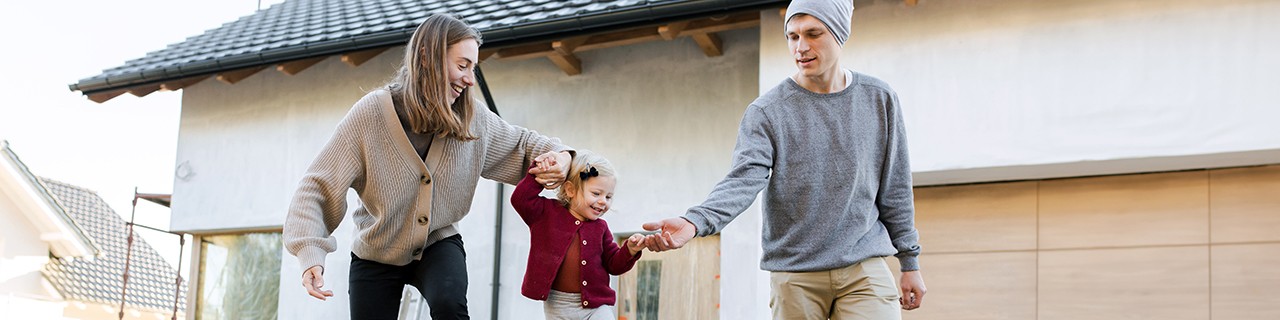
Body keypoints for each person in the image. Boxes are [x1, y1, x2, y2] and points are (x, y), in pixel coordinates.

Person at [640, 0, 927, 319]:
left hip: (864, 265)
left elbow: (895, 188)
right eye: (792, 36)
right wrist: (695, 221)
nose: (801, 47)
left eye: (813, 33)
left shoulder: (879, 99)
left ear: (840, 33)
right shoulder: (767, 112)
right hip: (796, 273)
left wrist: (909, 262)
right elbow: (743, 180)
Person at [282, 14, 574, 320]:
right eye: (462, 66)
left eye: (473, 69)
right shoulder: (370, 116)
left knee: (450, 304)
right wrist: (310, 253)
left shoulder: (472, 119)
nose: (470, 80)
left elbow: (523, 144)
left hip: (439, 241)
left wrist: (562, 156)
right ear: (427, 58)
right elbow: (318, 185)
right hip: (377, 249)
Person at [511, 150, 644, 320]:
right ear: (570, 190)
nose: (603, 201)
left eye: (609, 196)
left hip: (596, 306)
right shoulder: (545, 213)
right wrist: (540, 171)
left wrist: (630, 250)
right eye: (596, 193)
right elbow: (520, 199)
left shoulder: (601, 228)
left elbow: (613, 264)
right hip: (558, 306)